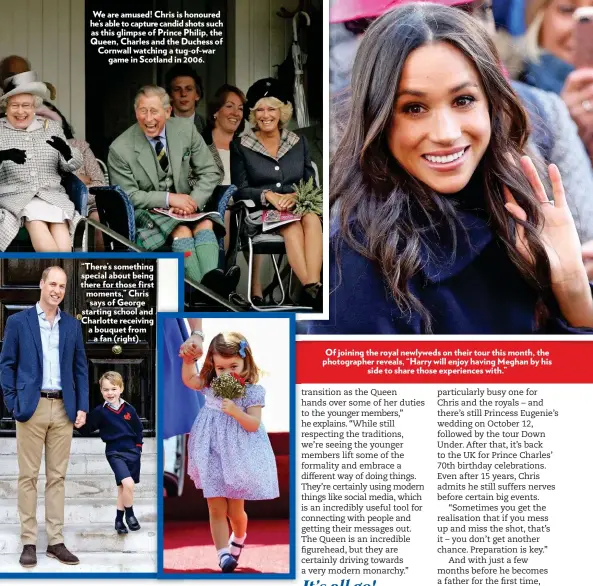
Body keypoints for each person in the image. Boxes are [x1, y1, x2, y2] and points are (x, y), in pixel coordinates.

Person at [311, 3, 593, 335]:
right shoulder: (356, 261)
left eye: (463, 100)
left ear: (493, 103)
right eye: (414, 108)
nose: (446, 133)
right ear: (379, 119)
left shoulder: (526, 224)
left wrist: (571, 286)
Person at [108, 85, 240, 297]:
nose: (148, 118)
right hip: (147, 212)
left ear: (168, 112)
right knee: (182, 231)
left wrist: (193, 202)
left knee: (206, 224)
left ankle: (205, 291)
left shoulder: (185, 131)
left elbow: (210, 171)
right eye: (143, 111)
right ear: (136, 112)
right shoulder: (120, 148)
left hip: (187, 207)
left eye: (154, 111)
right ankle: (209, 294)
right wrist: (170, 199)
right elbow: (129, 196)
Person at [0, 266, 89, 567]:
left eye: (62, 286)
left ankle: (55, 541)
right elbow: (7, 364)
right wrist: (13, 403)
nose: (57, 290)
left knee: (57, 477)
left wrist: (82, 406)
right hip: (31, 406)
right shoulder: (18, 322)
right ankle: (28, 541)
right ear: (41, 284)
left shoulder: (72, 326)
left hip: (64, 408)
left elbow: (80, 368)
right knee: (28, 476)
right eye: (52, 284)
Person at [182, 332, 279, 573]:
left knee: (236, 512)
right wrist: (187, 362)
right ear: (213, 366)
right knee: (216, 507)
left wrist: (235, 411)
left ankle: (240, 536)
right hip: (211, 450)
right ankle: (223, 555)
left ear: (246, 361)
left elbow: (253, 424)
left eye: (233, 366)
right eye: (220, 367)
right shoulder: (211, 384)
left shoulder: (253, 391)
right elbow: (190, 380)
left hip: (237, 456)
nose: (226, 373)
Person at [232, 78, 323, 310]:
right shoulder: (241, 145)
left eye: (271, 108)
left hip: (298, 206)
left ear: (282, 111)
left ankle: (312, 288)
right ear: (253, 114)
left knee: (312, 219)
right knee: (291, 226)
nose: (265, 115)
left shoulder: (298, 142)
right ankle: (312, 288)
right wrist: (268, 196)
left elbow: (310, 182)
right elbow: (240, 188)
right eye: (259, 109)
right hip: (263, 212)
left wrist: (295, 196)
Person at [0, 71, 84, 251]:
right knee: (37, 221)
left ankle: (62, 274)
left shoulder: (51, 127)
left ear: (35, 107)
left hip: (53, 196)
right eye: (15, 105)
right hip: (17, 198)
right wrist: (3, 156)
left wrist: (66, 151)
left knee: (61, 229)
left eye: (26, 105)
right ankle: (55, 272)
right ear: (6, 107)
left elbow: (72, 165)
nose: (20, 111)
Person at [515, 0, 593, 161]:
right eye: (567, 10)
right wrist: (563, 124)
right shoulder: (510, 96)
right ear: (539, 17)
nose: (585, 26)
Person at [78, 371, 143, 535]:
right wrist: (76, 421)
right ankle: (130, 515)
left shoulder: (129, 409)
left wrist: (138, 447)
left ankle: (118, 521)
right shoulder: (100, 412)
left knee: (123, 488)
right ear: (101, 391)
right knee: (128, 484)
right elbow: (87, 428)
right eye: (106, 390)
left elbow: (138, 429)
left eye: (113, 389)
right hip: (114, 452)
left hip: (132, 451)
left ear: (120, 388)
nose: (110, 393)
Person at [164, 64, 207, 134]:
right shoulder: (159, 125)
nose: (183, 94)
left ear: (197, 95)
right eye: (177, 89)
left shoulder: (208, 126)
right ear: (170, 95)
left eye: (189, 89)